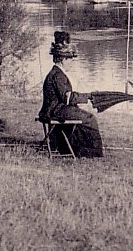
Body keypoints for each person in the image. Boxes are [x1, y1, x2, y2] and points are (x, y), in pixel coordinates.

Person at [37, 30, 104, 158]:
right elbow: (67, 97)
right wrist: (88, 96)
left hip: (55, 109)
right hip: (54, 111)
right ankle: (88, 152)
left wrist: (84, 97)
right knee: (89, 118)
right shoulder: (57, 75)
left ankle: (73, 147)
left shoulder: (57, 73)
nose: (71, 62)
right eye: (69, 59)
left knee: (81, 115)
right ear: (62, 60)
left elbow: (67, 96)